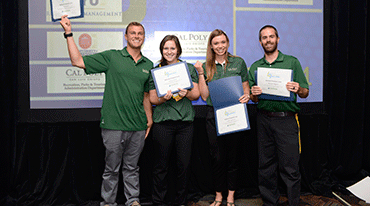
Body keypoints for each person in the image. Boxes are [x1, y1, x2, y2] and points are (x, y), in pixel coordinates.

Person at [59, 15, 153, 206]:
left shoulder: (148, 65)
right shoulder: (112, 57)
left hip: (138, 126)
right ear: (125, 36)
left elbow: (146, 96)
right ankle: (108, 203)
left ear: (144, 37)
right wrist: (68, 33)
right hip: (113, 125)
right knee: (111, 169)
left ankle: (133, 200)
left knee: (132, 167)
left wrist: (149, 120)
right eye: (133, 33)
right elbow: (77, 61)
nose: (136, 36)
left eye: (140, 33)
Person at [248, 25, 309, 206]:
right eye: (264, 38)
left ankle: (293, 203)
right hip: (264, 119)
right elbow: (254, 99)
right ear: (260, 42)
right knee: (265, 167)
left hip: (287, 120)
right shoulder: (256, 67)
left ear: (278, 39)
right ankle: (269, 203)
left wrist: (298, 88)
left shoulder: (292, 62)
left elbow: (305, 92)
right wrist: (254, 94)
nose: (268, 40)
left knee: (290, 168)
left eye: (271, 36)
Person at [194, 29, 250, 206]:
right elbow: (203, 96)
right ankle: (218, 196)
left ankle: (231, 197)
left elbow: (246, 87)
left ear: (227, 43)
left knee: (233, 158)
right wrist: (201, 74)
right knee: (217, 158)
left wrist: (247, 96)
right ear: (211, 45)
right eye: (216, 43)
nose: (220, 46)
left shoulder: (238, 62)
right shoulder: (205, 66)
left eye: (223, 42)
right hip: (214, 115)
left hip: (235, 114)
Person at [149, 35, 200, 206]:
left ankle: (181, 201)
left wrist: (187, 93)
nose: (169, 52)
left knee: (183, 167)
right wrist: (164, 98)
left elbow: (196, 94)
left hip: (185, 125)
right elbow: (153, 99)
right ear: (161, 51)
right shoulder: (156, 71)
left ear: (178, 49)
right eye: (166, 48)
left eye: (172, 48)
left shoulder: (189, 69)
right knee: (160, 167)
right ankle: (159, 202)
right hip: (163, 124)